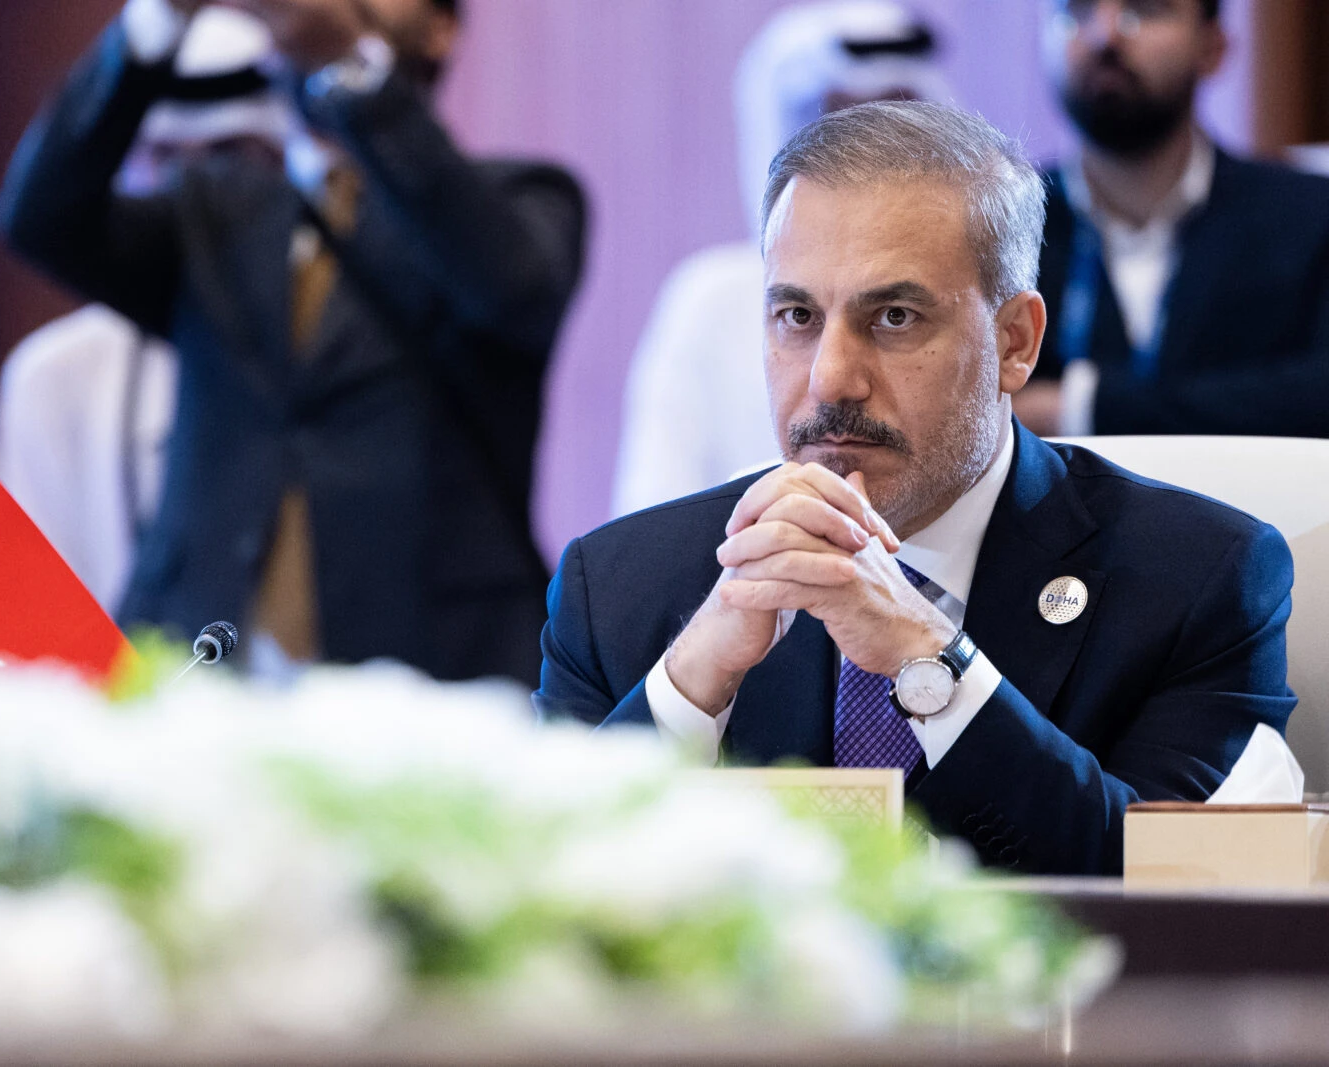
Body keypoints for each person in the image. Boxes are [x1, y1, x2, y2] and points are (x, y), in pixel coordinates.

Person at [537, 101, 1294, 876]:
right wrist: (692, 684)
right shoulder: (623, 586)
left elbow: (1155, 889)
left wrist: (926, 657)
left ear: (1015, 343)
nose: (831, 378)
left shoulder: (1200, 579)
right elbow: (535, 899)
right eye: (797, 315)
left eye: (894, 316)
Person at [0, 0, 585, 686]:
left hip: (428, 675)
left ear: (440, 26)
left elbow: (511, 290)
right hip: (203, 665)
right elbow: (40, 219)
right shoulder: (219, 213)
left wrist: (349, 69)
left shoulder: (523, 198)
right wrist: (157, 22)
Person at [0, 6, 289, 614]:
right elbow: (49, 619)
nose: (193, 194)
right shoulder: (55, 373)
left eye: (226, 158)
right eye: (167, 160)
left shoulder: (345, 343)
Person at [610, 1, 951, 516]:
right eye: (797, 317)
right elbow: (651, 516)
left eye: (895, 132)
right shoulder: (709, 299)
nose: (864, 164)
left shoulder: (958, 297)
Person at [1014, 0, 1329, 438]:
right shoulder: (994, 226)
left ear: (1213, 46)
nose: (1104, 35)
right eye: (1075, 11)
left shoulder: (1311, 217)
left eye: (1147, 9)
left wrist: (1078, 410)